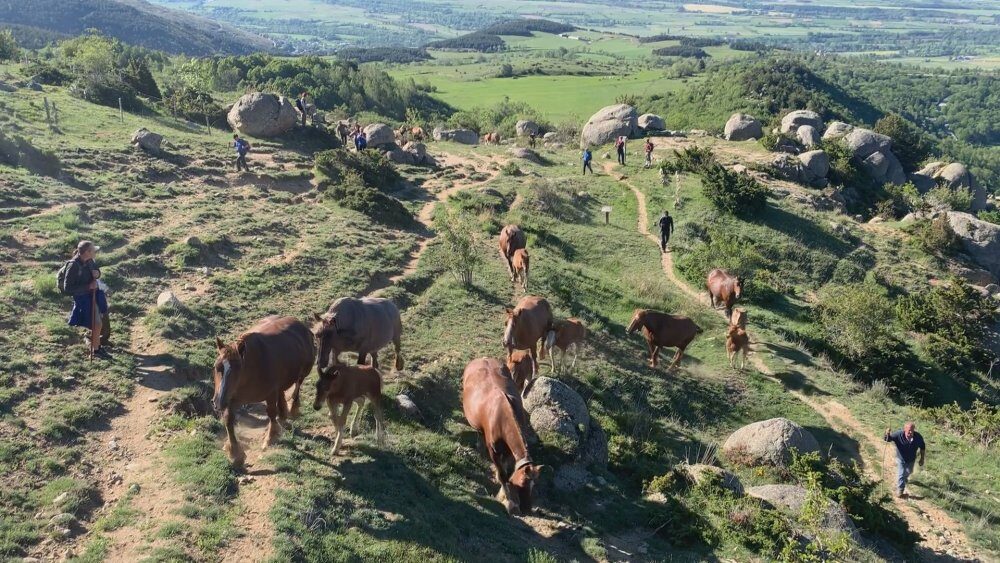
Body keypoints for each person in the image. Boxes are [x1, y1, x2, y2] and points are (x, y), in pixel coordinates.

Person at [61, 240, 111, 359]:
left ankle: (97, 348)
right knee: (97, 323)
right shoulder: (73, 266)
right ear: (87, 252)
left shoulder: (90, 261)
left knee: (98, 322)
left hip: (94, 295)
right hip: (82, 298)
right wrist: (88, 286)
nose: (95, 252)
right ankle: (96, 349)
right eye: (93, 250)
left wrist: (97, 274)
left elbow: (98, 272)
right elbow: (67, 288)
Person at [884, 422, 926, 498]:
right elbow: (888, 439)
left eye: (912, 430)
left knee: (909, 471)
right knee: (901, 474)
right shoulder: (898, 434)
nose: (911, 432)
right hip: (901, 458)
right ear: (904, 429)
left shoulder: (918, 437)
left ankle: (905, 479)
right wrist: (887, 433)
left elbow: (922, 447)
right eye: (909, 430)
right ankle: (900, 491)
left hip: (911, 459)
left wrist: (922, 459)